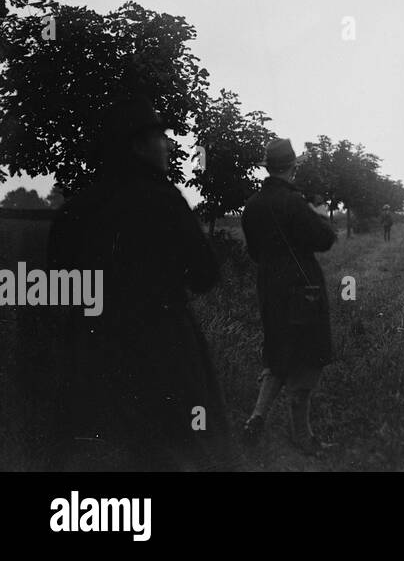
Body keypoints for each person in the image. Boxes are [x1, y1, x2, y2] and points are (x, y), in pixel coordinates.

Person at [45, 94, 235, 471]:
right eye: (160, 137)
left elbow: (58, 281)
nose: (167, 146)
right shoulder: (163, 199)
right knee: (176, 450)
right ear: (137, 146)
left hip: (90, 352)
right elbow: (205, 275)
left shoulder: (76, 209)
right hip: (163, 349)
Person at [240, 138, 338, 455]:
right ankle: (302, 435)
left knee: (278, 350)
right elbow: (324, 240)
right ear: (293, 167)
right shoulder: (296, 203)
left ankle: (256, 416)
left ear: (268, 167)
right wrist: (322, 214)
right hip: (303, 290)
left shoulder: (251, 205)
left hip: (270, 288)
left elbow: (255, 252)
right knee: (308, 356)